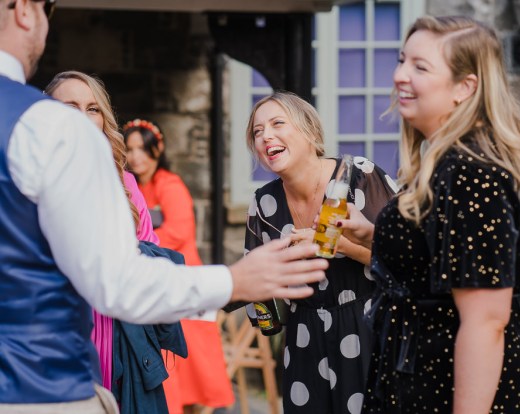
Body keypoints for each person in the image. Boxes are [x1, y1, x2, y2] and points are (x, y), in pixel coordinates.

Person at [0, 1, 327, 411]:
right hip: (41, 378)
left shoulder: (139, 180)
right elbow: (116, 279)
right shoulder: (47, 127)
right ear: (25, 11)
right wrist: (233, 280)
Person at [336, 15, 520, 414]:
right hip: (420, 373)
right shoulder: (444, 158)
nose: (401, 75)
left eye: (420, 67)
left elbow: (486, 321)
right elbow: (440, 257)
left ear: (464, 87)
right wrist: (375, 236)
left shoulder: (470, 172)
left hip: (460, 387)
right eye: (402, 59)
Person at [242, 91, 398, 414]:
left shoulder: (359, 177)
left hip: (367, 328)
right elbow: (260, 299)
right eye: (258, 132)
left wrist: (339, 245)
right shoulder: (263, 204)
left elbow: (404, 260)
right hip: (303, 338)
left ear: (310, 131)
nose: (266, 136)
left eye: (277, 124)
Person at [45, 71, 191, 414]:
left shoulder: (124, 183)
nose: (83, 116)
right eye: (70, 106)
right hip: (58, 334)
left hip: (118, 333)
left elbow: (149, 254)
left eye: (93, 108)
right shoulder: (31, 177)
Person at [123, 119, 235, 413]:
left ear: (157, 149)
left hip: (179, 278)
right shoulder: (133, 187)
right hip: (152, 278)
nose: (136, 156)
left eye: (142, 149)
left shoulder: (169, 185)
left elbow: (179, 231)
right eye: (130, 149)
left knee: (188, 365)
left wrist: (137, 247)